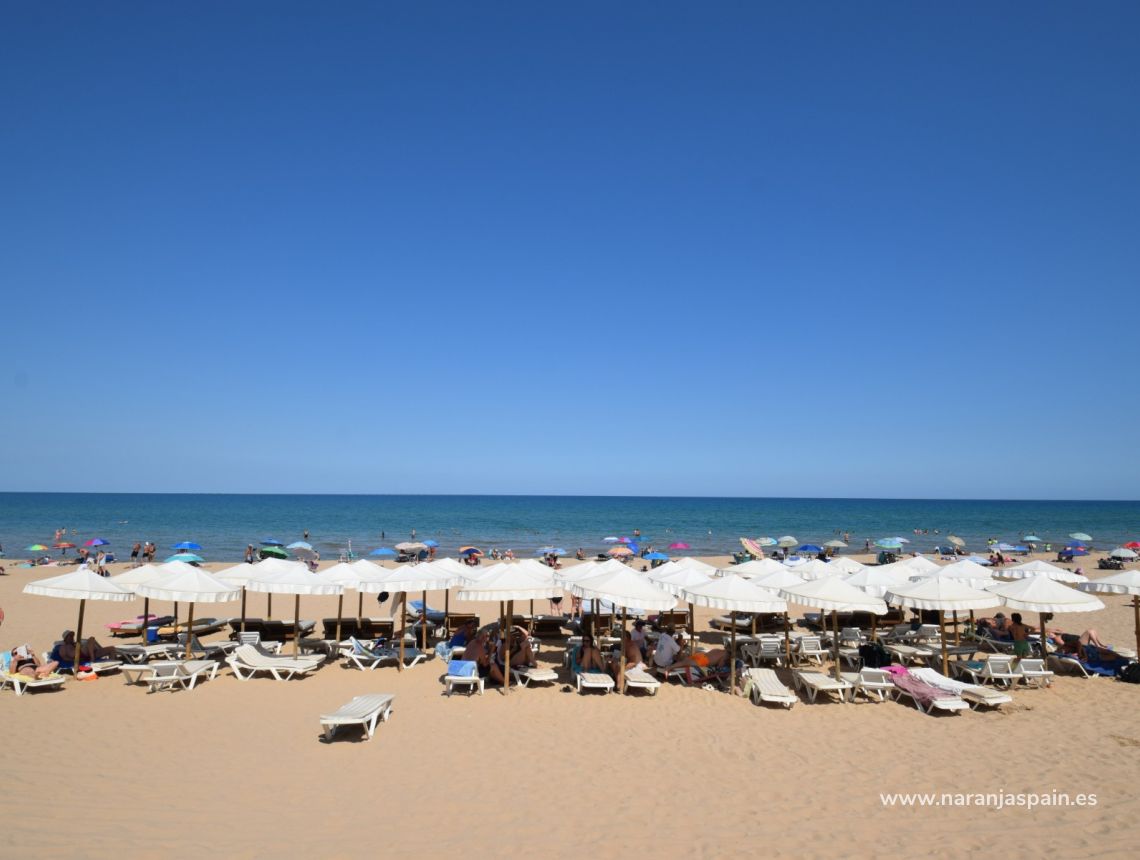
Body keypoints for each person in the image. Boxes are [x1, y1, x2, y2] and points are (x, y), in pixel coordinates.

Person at [52, 630, 121, 669]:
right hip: (81, 656)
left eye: (72, 636)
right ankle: (93, 659)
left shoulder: (74, 643)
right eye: (70, 636)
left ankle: (112, 668)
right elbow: (64, 658)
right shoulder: (63, 647)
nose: (72, 637)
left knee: (112, 649)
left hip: (86, 655)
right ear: (65, 638)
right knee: (91, 639)